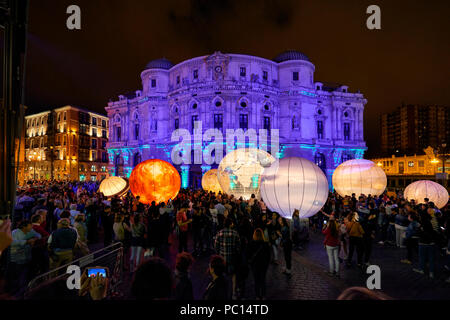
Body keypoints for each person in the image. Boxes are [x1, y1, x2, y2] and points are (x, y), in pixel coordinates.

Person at [6, 220, 41, 295]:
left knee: (23, 276)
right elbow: (12, 242)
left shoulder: (30, 231)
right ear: (24, 226)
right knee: (16, 276)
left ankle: (21, 291)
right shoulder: (15, 232)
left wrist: (34, 239)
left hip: (26, 257)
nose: (32, 226)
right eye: (30, 225)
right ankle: (14, 291)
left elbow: (39, 235)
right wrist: (26, 241)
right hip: (16, 258)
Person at [214, 217, 240, 299]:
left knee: (222, 275)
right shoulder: (235, 233)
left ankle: (223, 293)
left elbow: (216, 246)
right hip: (232, 258)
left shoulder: (219, 233)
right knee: (233, 275)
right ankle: (233, 293)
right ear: (231, 224)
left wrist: (218, 254)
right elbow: (238, 247)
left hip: (222, 258)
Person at [246, 228, 271, 300]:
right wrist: (266, 264)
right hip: (263, 265)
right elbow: (268, 256)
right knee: (263, 280)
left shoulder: (251, 244)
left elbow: (248, 255)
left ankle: (257, 295)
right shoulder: (265, 244)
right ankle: (263, 295)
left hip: (255, 265)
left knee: (256, 280)